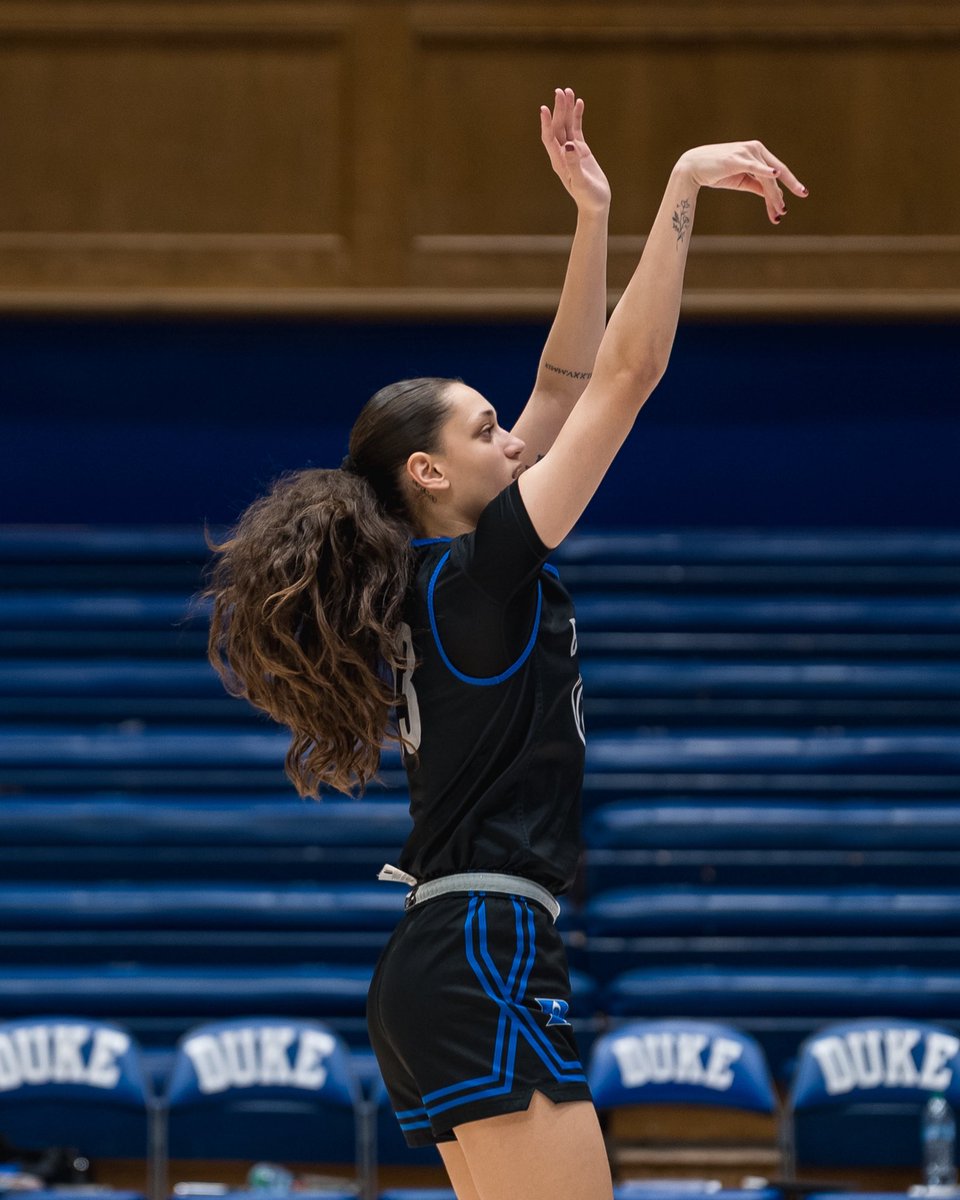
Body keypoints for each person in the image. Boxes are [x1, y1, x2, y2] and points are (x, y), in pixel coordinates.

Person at [206, 89, 806, 1200]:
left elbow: (568, 383)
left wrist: (593, 214)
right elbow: (623, 381)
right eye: (486, 430)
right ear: (427, 474)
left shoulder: (445, 579)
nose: (518, 434)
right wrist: (681, 189)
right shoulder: (479, 578)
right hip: (482, 947)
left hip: (450, 954)